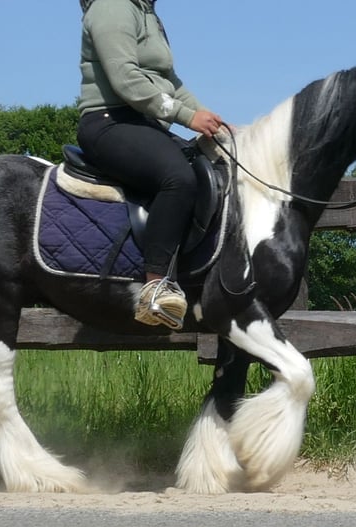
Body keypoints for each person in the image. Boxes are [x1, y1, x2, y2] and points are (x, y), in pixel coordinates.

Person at [76, 0, 224, 330]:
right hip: (110, 122)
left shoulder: (146, 13)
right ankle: (155, 288)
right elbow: (125, 79)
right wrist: (187, 117)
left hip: (144, 123)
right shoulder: (112, 6)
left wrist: (213, 123)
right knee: (178, 178)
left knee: (210, 169)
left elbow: (170, 82)